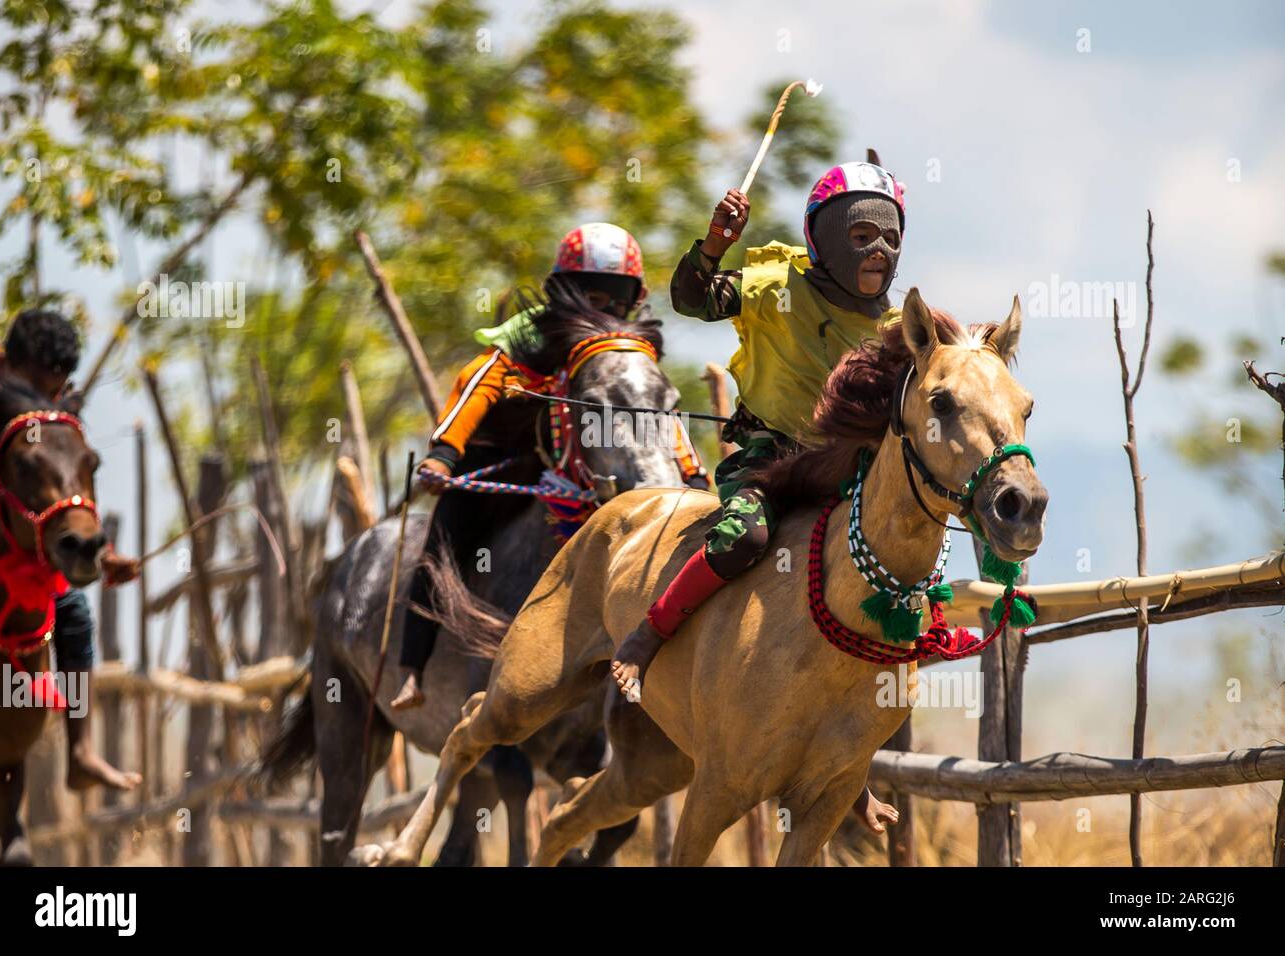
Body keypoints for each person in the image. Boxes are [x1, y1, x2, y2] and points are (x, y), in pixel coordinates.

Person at [609, 162, 910, 833]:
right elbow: (692, 299)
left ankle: (846, 771)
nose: (879, 251)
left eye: (890, 237)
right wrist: (715, 244)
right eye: (862, 233)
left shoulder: (897, 326)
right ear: (826, 236)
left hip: (847, 476)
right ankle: (643, 639)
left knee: (887, 587)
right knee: (743, 538)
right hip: (769, 460)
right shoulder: (775, 283)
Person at [390, 223, 708, 710]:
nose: (603, 310)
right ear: (566, 292)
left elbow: (653, 413)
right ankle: (412, 667)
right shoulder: (528, 334)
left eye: (614, 300)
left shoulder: (627, 350)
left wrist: (693, 476)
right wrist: (444, 453)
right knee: (446, 538)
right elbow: (479, 384)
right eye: (591, 295)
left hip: (580, 472)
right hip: (498, 468)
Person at [0, 308, 142, 791]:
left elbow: (66, 489)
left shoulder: (54, 418)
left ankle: (80, 751)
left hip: (20, 556)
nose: (45, 401)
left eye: (54, 390)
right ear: (6, 363)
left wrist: (101, 553)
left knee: (73, 610)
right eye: (36, 386)